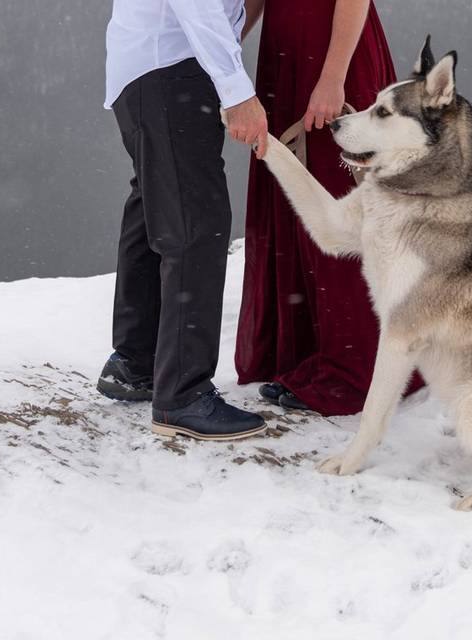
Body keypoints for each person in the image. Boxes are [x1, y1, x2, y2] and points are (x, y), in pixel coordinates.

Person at [96, 0, 271, 441]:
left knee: (153, 205)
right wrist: (236, 90)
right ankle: (183, 396)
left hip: (149, 69)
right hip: (169, 66)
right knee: (196, 224)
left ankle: (135, 362)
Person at [236, 0, 421, 416]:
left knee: (339, 193)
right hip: (286, 53)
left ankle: (357, 366)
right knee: (294, 184)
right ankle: (308, 351)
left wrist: (333, 78)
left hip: (335, 54)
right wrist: (222, 51)